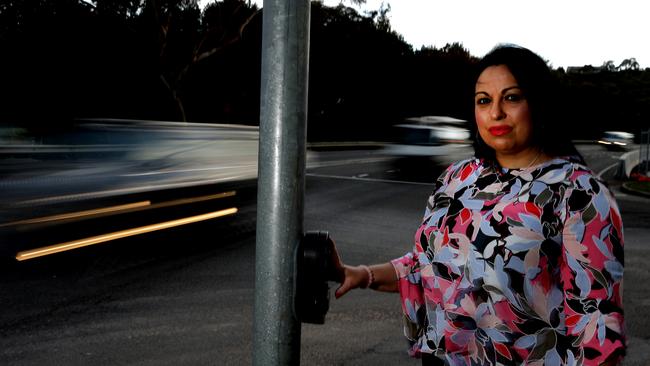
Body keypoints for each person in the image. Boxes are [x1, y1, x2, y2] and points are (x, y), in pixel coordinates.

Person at [331, 44, 626, 366]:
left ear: (539, 103)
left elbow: (597, 331)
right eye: (484, 100)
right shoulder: (458, 177)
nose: (496, 112)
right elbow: (431, 266)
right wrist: (361, 274)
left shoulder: (580, 192)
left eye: (511, 97)